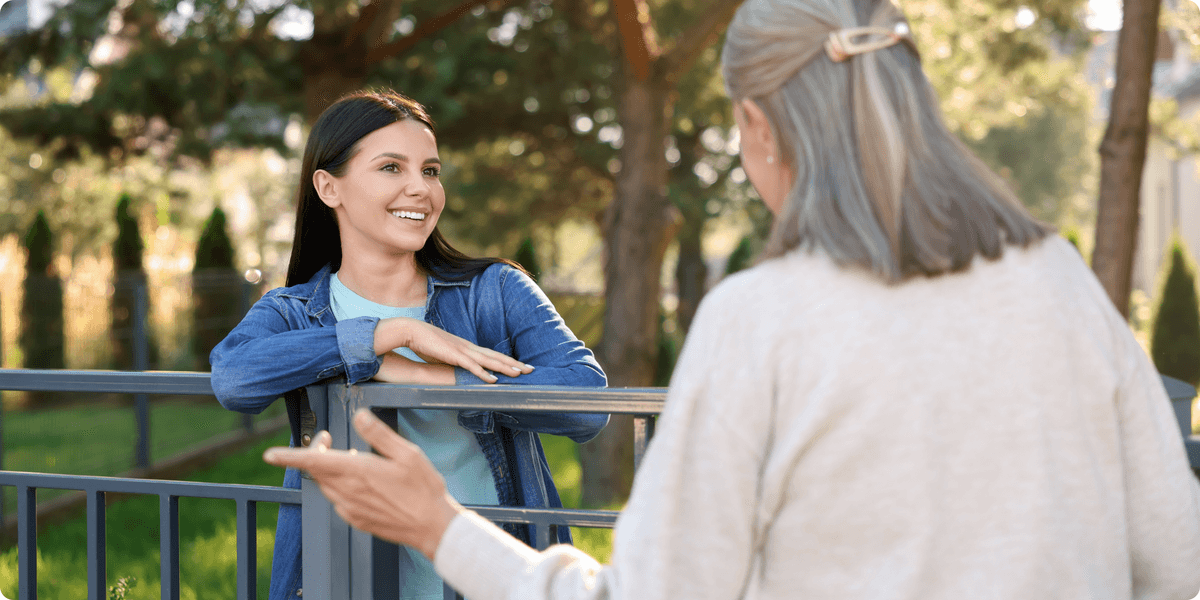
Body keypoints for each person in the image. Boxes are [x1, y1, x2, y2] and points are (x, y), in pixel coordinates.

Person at [263, 0, 1200, 597]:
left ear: (757, 127)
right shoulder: (1060, 283)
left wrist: (440, 527)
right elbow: (1177, 564)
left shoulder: (763, 320)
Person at [210, 90, 609, 600]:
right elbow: (234, 376)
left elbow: (586, 404)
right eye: (392, 168)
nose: (420, 189)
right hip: (347, 580)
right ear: (329, 187)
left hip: (490, 574)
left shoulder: (496, 290)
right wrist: (387, 335)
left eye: (430, 170)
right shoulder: (294, 311)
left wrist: (429, 377)